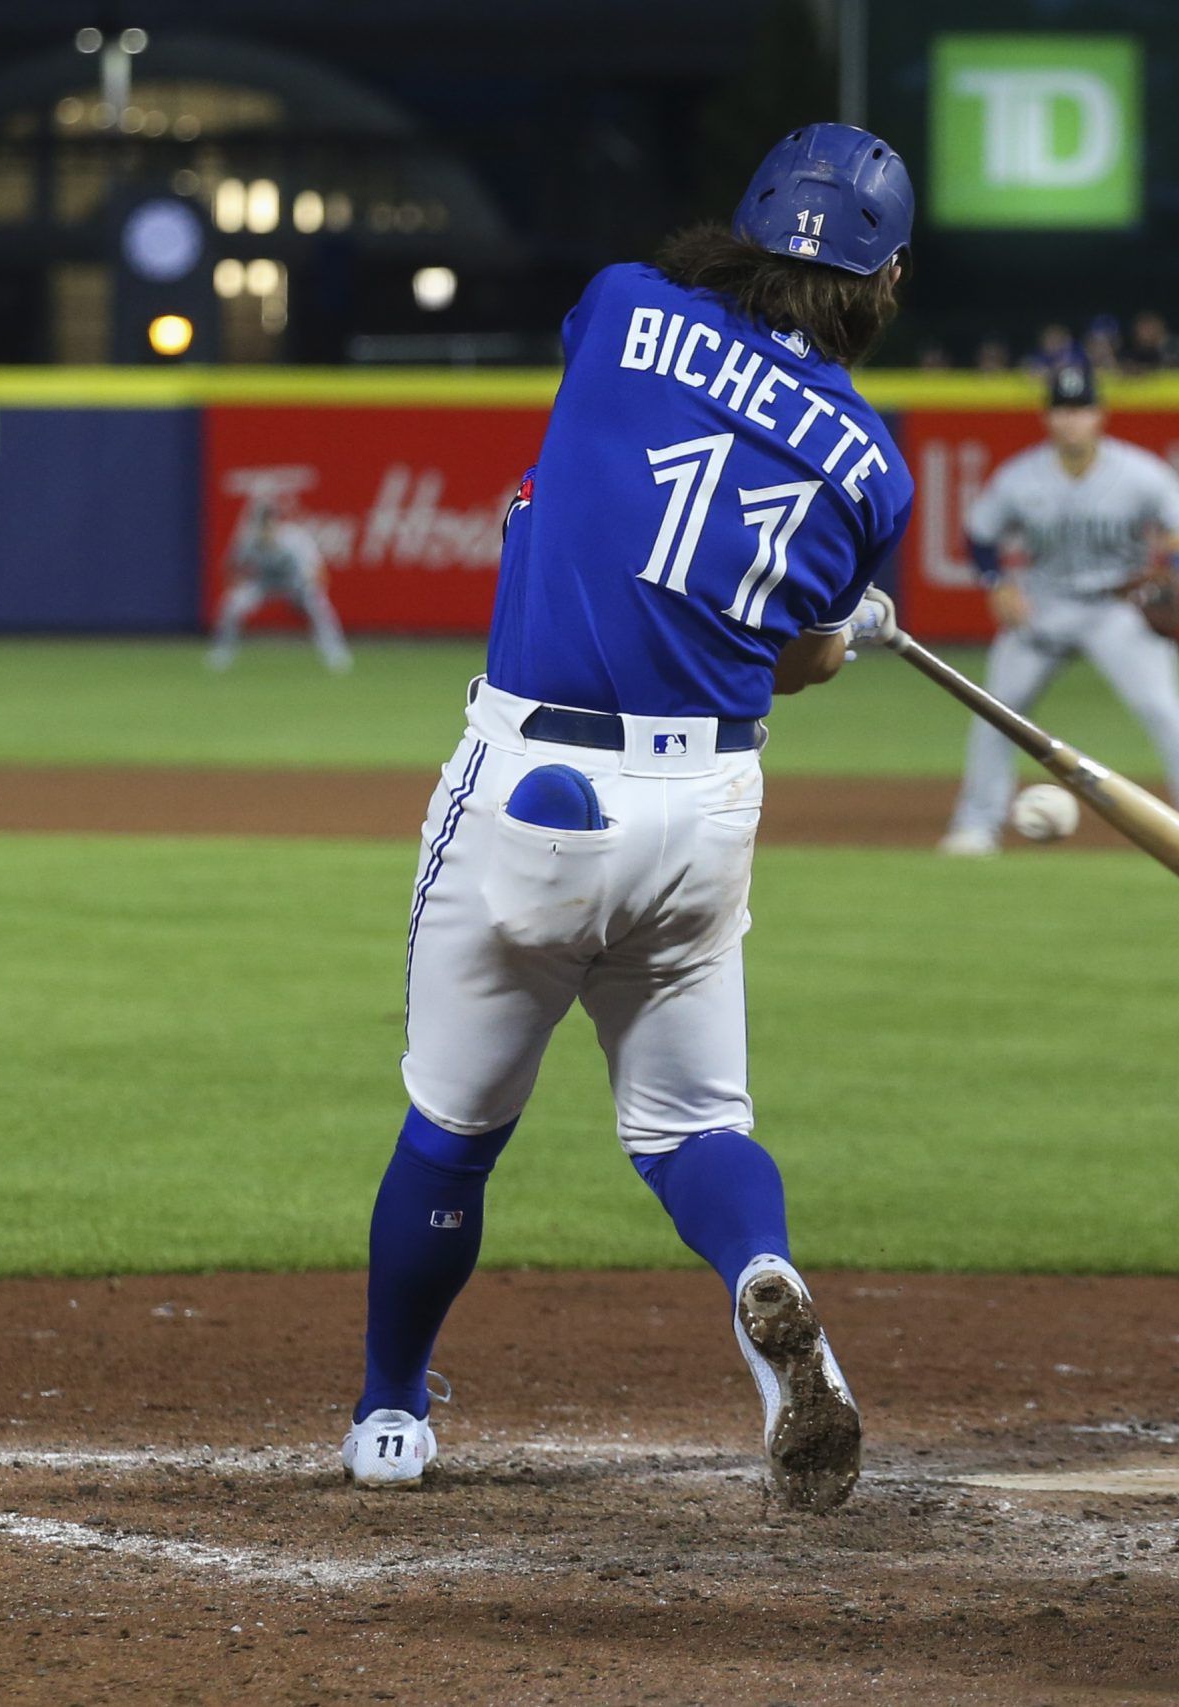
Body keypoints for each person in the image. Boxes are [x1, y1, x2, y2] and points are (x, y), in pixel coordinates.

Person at [340, 123, 916, 1512]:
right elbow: (791, 655)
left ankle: (390, 1413)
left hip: (536, 789)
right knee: (694, 1126)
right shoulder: (876, 472)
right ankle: (763, 1279)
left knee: (451, 1127)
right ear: (886, 277)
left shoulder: (622, 304)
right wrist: (849, 633)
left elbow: (612, 462)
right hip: (705, 809)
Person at [937, 362, 1179, 856]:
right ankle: (977, 825)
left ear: (1100, 415)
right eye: (1062, 409)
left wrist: (1174, 564)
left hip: (1115, 608)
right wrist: (997, 583)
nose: (1072, 420)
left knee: (1163, 708)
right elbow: (980, 536)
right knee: (997, 712)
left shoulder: (1140, 473)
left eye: (1081, 409)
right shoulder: (1021, 477)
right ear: (1048, 418)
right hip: (1044, 605)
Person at [207, 502, 352, 673]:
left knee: (318, 604)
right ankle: (222, 653)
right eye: (262, 523)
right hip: (263, 583)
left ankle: (334, 653)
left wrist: (310, 586)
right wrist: (238, 584)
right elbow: (231, 567)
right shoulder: (248, 540)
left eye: (269, 523)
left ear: (276, 522)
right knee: (232, 604)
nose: (265, 528)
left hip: (294, 583)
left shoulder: (294, 539)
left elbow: (316, 570)